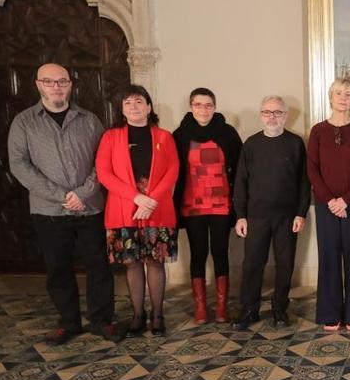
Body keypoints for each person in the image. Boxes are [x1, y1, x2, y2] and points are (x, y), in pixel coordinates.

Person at [8, 63, 124, 345]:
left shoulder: (89, 119)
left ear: (71, 84)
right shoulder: (24, 122)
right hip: (49, 210)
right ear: (38, 84)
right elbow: (20, 165)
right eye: (50, 81)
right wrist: (61, 195)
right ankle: (68, 322)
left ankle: (102, 320)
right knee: (58, 267)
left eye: (62, 81)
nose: (56, 86)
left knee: (99, 266)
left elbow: (104, 160)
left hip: (90, 206)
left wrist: (82, 192)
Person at [96, 85, 179, 337]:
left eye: (139, 101)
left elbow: (173, 169)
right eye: (128, 102)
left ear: (149, 107)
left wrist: (150, 200)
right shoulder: (110, 137)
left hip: (157, 208)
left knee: (155, 262)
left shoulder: (164, 136)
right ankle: (137, 315)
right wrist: (136, 198)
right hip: (124, 209)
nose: (134, 106)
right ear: (122, 109)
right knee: (131, 264)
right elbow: (104, 173)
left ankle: (157, 315)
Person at [231, 95, 310, 330]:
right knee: (252, 264)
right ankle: (249, 309)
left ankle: (279, 309)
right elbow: (240, 182)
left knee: (285, 264)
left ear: (285, 116)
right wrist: (240, 215)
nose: (272, 117)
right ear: (261, 115)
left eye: (277, 112)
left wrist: (301, 213)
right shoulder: (251, 144)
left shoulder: (295, 143)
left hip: (287, 216)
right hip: (256, 216)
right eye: (267, 112)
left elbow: (304, 182)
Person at [307, 79, 350, 331]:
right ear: (330, 98)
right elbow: (312, 168)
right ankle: (330, 313)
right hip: (326, 206)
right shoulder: (317, 131)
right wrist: (331, 201)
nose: (343, 98)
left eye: (348, 94)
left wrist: (345, 200)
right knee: (329, 257)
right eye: (338, 93)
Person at [173, 87, 242, 324]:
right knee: (198, 253)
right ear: (191, 107)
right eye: (198, 105)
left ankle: (222, 306)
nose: (204, 109)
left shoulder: (227, 133)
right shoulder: (180, 135)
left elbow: (241, 168)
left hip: (222, 204)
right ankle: (201, 307)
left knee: (221, 252)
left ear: (215, 106)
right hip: (193, 205)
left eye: (208, 105)